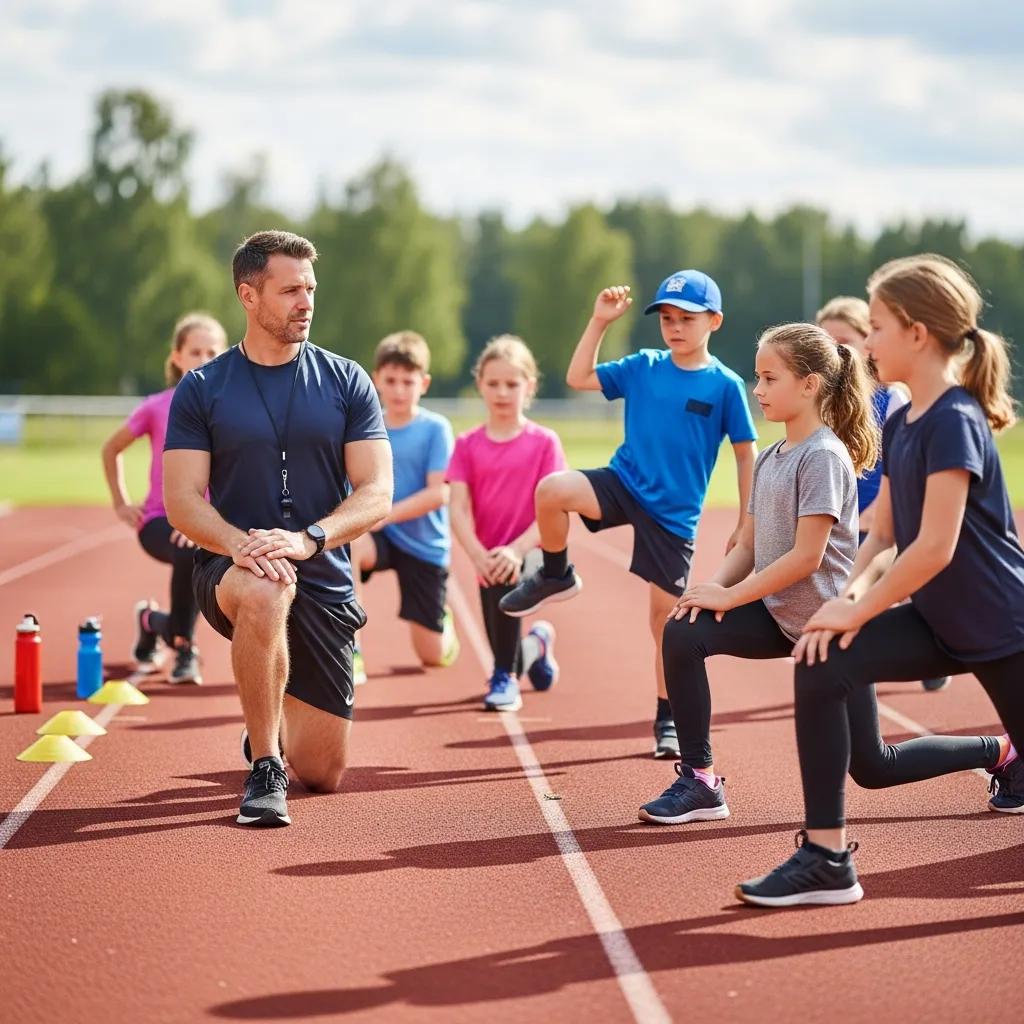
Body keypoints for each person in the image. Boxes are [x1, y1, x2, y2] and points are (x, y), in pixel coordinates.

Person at [641, 323, 1006, 837]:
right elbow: (745, 544)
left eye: (770, 379)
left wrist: (731, 594)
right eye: (757, 378)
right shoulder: (771, 458)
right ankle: (701, 779)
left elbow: (806, 558)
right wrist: (709, 591)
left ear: (810, 384)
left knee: (874, 767)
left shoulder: (825, 456)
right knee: (684, 629)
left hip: (831, 629)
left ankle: (1003, 751)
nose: (758, 390)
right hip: (775, 615)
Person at [738, 255, 1024, 908]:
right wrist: (838, 606)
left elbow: (934, 548)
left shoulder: (955, 418)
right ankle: (827, 857)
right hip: (943, 623)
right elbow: (884, 532)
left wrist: (857, 609)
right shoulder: (900, 421)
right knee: (821, 659)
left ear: (918, 334)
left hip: (1004, 627)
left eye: (877, 327)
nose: (865, 344)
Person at [164, 230, 392, 828]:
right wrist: (239, 544)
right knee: (267, 589)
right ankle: (265, 764)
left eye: (311, 288)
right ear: (248, 294)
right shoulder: (201, 388)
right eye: (290, 289)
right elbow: (183, 500)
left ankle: (272, 719)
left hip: (321, 567)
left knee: (322, 773)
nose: (306, 301)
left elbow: (377, 493)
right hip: (232, 565)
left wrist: (309, 538)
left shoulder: (347, 381)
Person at [499, 275, 757, 758]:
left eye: (687, 319)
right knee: (553, 489)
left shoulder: (724, 385)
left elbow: (746, 454)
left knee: (667, 623)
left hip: (674, 515)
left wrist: (746, 522)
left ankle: (667, 718)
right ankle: (556, 573)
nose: (674, 328)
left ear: (714, 322)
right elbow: (579, 378)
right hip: (623, 483)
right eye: (667, 319)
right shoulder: (644, 366)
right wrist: (599, 321)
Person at [818, 297, 948, 694]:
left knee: (888, 590)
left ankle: (932, 646)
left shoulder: (893, 399)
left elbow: (901, 470)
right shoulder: (824, 401)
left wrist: (874, 517)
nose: (836, 350)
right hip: (843, 517)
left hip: (883, 515)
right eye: (826, 341)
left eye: (845, 340)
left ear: (867, 341)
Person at [102, 313, 227, 684]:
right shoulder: (157, 406)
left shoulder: (230, 407)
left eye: (212, 352)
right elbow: (111, 449)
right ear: (177, 357)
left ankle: (151, 621)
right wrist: (121, 503)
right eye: (194, 352)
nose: (203, 360)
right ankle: (185, 649)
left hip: (211, 521)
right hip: (160, 520)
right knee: (189, 550)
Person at [448, 335, 565, 712]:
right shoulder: (467, 445)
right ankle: (537, 645)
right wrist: (478, 556)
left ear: (529, 387)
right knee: (506, 638)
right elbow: (457, 509)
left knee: (507, 580)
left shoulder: (545, 443)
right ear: (480, 384)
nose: (502, 392)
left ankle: (503, 678)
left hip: (532, 552)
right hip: (488, 558)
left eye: (512, 384)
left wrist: (514, 551)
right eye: (493, 383)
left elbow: (555, 511)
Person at [351, 331, 459, 670]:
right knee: (348, 546)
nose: (399, 390)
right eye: (391, 380)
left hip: (424, 544)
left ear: (423, 383)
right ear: (376, 380)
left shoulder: (436, 429)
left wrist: (385, 514)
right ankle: (349, 647)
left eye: (408, 381)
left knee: (432, 657)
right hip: (379, 535)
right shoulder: (364, 427)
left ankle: (440, 620)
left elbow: (439, 492)